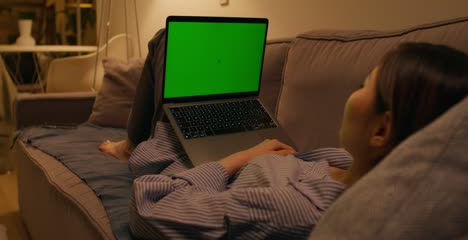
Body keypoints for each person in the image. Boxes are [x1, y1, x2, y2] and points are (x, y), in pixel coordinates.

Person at [101, 38, 468, 239]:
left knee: (163, 42)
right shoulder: (348, 167)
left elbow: (148, 209)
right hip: (246, 153)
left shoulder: (294, 209)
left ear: (382, 130)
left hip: (182, 166)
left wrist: (238, 158)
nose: (352, 94)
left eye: (363, 86)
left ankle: (129, 144)